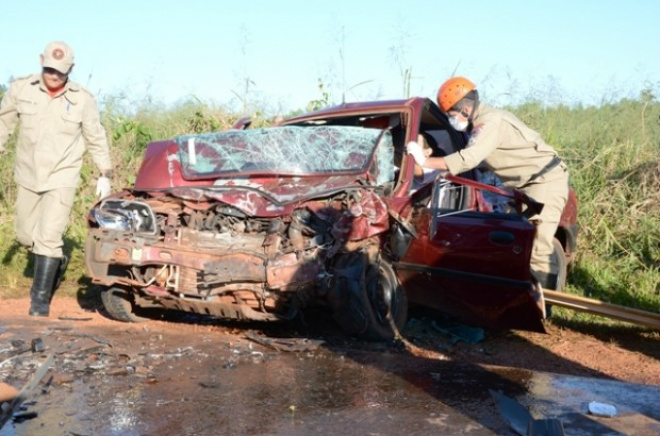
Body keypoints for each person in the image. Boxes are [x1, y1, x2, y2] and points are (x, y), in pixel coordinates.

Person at [406, 76, 569, 298]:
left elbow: (468, 159)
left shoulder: (490, 122)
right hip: (525, 185)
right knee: (517, 245)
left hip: (544, 181)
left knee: (537, 247)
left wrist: (424, 161)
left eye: (451, 115)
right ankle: (517, 301)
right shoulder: (478, 124)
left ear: (464, 108)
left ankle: (544, 307)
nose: (451, 119)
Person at [0, 41, 113, 317]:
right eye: (49, 68)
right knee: (27, 235)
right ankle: (58, 261)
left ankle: (39, 301)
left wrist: (105, 172)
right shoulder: (21, 89)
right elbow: (3, 124)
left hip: (63, 176)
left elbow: (95, 136)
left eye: (60, 71)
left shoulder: (82, 99)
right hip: (27, 173)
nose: (53, 75)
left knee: (48, 236)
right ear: (41, 61)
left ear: (70, 69)